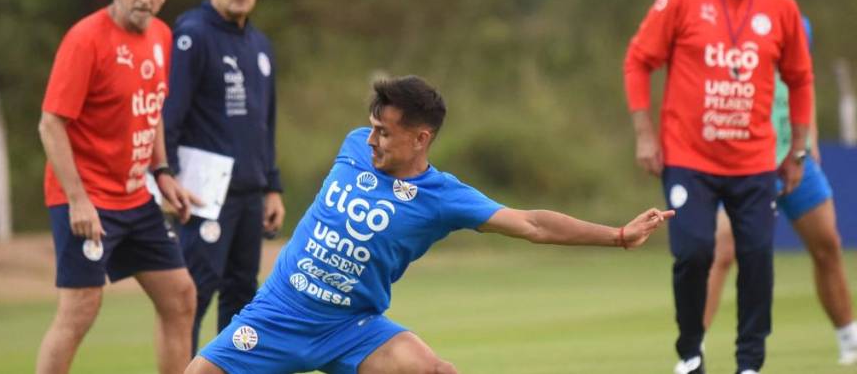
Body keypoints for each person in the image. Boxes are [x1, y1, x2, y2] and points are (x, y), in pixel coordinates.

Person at [184, 75, 674, 374]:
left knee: (437, 371)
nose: (372, 139)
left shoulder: (443, 197)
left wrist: (618, 236)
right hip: (281, 313)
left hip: (352, 328)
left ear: (421, 138)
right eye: (372, 127)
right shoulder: (355, 144)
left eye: (385, 132)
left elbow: (532, 224)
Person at [623, 0, 815, 372]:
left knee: (758, 258)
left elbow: (801, 80)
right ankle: (691, 351)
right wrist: (644, 134)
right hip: (689, 158)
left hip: (755, 162)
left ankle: (750, 364)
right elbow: (638, 60)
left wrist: (797, 150)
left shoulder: (781, 8)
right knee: (693, 252)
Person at [35, 0, 198, 373]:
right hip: (86, 197)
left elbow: (152, 109)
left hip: (134, 198)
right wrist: (78, 199)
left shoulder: (162, 37)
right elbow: (50, 125)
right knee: (80, 309)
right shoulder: (86, 40)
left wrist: (162, 173)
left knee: (180, 296)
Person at [703, 0, 857, 366]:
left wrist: (809, 143)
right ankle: (692, 347)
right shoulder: (729, 24)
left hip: (794, 157)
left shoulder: (798, 25)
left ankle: (849, 338)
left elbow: (800, 85)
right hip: (744, 159)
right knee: (722, 250)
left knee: (827, 244)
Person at [162, 0, 284, 352]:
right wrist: (167, 179)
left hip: (251, 194)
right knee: (192, 297)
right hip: (204, 195)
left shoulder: (261, 45)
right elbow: (170, 116)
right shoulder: (192, 34)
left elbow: (264, 125)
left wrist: (272, 186)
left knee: (243, 301)